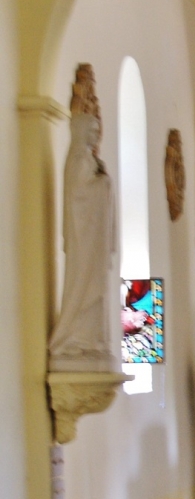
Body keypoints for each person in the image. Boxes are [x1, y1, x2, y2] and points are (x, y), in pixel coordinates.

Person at [49, 67, 116, 372]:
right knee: (84, 287)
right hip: (84, 241)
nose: (94, 136)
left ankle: (91, 340)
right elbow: (79, 196)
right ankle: (75, 339)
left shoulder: (88, 159)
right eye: (91, 131)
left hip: (95, 241)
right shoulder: (77, 158)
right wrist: (102, 184)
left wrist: (102, 182)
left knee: (98, 289)